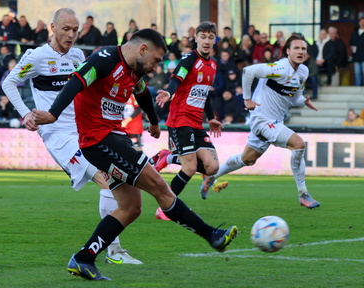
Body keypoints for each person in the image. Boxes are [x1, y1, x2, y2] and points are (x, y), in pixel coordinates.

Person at [32, 27, 237, 281]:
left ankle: (83, 258)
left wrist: (153, 121)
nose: (155, 67)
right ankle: (212, 236)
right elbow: (77, 81)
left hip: (113, 140)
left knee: (131, 208)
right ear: (142, 49)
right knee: (160, 187)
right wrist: (52, 113)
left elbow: (142, 94)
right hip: (100, 141)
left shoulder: (133, 72)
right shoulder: (105, 59)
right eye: (156, 60)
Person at [2, 8, 144, 267]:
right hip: (58, 136)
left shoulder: (78, 56)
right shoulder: (37, 58)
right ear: (53, 27)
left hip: (83, 131)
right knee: (106, 179)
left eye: (75, 30)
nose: (70, 35)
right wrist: (25, 114)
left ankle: (112, 250)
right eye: (65, 29)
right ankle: (112, 250)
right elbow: (9, 83)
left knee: (114, 179)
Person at [199, 34, 321, 209]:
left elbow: (294, 97)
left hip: (274, 122)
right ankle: (303, 194)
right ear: (287, 51)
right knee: (299, 144)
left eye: (303, 49)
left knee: (247, 159)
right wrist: (247, 99)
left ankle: (210, 177)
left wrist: (304, 101)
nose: (300, 51)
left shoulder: (303, 71)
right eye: (296, 48)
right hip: (262, 120)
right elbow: (249, 71)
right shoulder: (279, 67)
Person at [154, 22, 228, 204]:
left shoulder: (213, 65)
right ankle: (166, 207)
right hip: (180, 120)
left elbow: (205, 92)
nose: (207, 41)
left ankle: (169, 157)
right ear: (196, 39)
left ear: (215, 40)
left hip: (197, 123)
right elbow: (176, 80)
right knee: (190, 167)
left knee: (212, 167)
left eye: (211, 37)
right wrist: (169, 93)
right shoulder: (188, 60)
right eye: (203, 37)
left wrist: (211, 118)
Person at [350, 17, 364, 86]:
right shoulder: (355, 33)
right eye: (361, 22)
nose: (362, 23)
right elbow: (351, 43)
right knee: (357, 72)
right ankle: (357, 86)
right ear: (359, 23)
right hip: (356, 56)